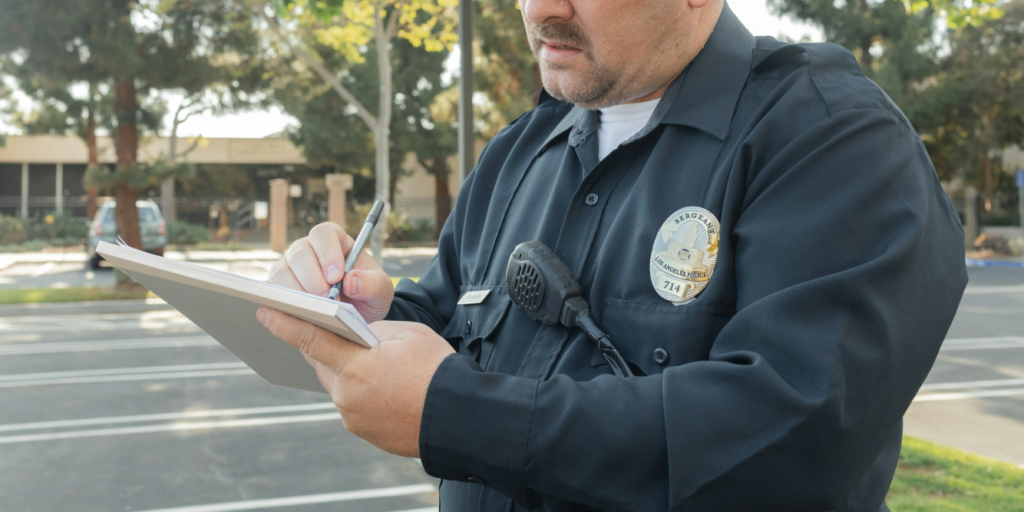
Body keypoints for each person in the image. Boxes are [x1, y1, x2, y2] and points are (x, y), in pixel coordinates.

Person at [257, 0, 968, 510]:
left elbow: (791, 434)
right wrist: (367, 311)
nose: (541, 11)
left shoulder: (831, 138)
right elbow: (451, 319)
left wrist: (453, 413)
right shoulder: (518, 152)